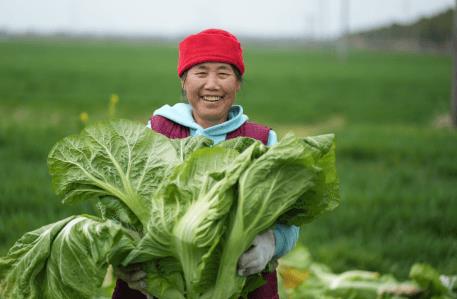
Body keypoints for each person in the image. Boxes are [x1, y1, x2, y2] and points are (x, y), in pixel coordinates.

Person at [112, 28, 299, 299]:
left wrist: (271, 243)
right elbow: (121, 208)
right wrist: (123, 256)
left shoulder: (262, 141)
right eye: (200, 73)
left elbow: (291, 217)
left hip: (239, 287)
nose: (212, 84)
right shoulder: (155, 132)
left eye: (223, 73)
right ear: (184, 82)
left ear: (237, 83)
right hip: (157, 285)